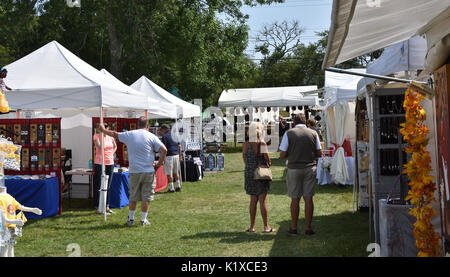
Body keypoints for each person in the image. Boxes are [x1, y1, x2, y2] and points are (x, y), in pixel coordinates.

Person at [99, 116, 167, 227]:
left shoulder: (130, 134)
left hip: (134, 171)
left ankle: (131, 219)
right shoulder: (152, 136)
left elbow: (115, 134)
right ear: (147, 126)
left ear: (137, 124)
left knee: (133, 196)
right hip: (148, 171)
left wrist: (103, 130)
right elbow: (164, 150)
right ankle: (143, 220)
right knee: (146, 197)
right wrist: (159, 164)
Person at [279, 113, 322, 236]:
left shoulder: (289, 133)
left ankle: (294, 228)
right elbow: (319, 152)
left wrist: (292, 154)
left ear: (294, 122)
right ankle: (308, 228)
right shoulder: (313, 133)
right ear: (305, 121)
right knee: (308, 199)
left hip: (293, 168)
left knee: (295, 199)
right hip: (309, 167)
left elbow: (282, 154)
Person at [242, 121, 275, 233]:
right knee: (262, 200)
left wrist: (250, 166)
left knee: (253, 200)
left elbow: (245, 159)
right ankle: (266, 227)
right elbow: (268, 160)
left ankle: (252, 227)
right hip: (260, 174)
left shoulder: (246, 144)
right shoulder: (262, 144)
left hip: (249, 173)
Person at [93, 122, 117, 215]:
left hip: (110, 162)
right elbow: (99, 146)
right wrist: (103, 134)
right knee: (99, 184)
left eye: (106, 127)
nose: (104, 128)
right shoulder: (96, 136)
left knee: (108, 185)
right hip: (100, 162)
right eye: (102, 127)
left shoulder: (111, 137)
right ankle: (98, 206)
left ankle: (106, 205)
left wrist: (112, 153)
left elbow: (115, 146)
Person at [159, 124, 182, 193]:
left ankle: (171, 189)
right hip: (176, 155)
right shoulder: (175, 135)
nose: (161, 131)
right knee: (176, 172)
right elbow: (180, 146)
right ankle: (178, 186)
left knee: (169, 173)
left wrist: (162, 158)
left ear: (164, 129)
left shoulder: (164, 136)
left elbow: (164, 148)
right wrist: (180, 156)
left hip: (169, 156)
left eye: (161, 130)